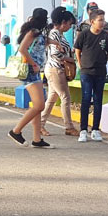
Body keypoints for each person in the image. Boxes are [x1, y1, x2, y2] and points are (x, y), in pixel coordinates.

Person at [8, 8, 54, 149]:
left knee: (37, 106)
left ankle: (37, 139)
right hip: (30, 70)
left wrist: (55, 43)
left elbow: (43, 41)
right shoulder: (33, 31)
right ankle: (16, 131)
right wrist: (33, 63)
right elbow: (22, 49)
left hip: (34, 71)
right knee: (40, 105)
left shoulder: (36, 32)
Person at [74, 9, 108, 142]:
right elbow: (77, 49)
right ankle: (83, 130)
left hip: (100, 72)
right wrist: (80, 64)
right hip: (86, 72)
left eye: (103, 20)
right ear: (92, 21)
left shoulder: (106, 36)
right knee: (86, 99)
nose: (103, 22)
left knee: (98, 101)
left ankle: (96, 129)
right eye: (100, 20)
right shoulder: (84, 34)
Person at [40, 8, 80, 137]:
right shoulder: (55, 34)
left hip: (54, 69)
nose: (69, 27)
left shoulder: (57, 34)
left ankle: (40, 124)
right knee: (65, 97)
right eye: (69, 24)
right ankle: (69, 126)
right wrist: (70, 59)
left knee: (52, 98)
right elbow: (56, 53)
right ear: (63, 22)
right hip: (55, 68)